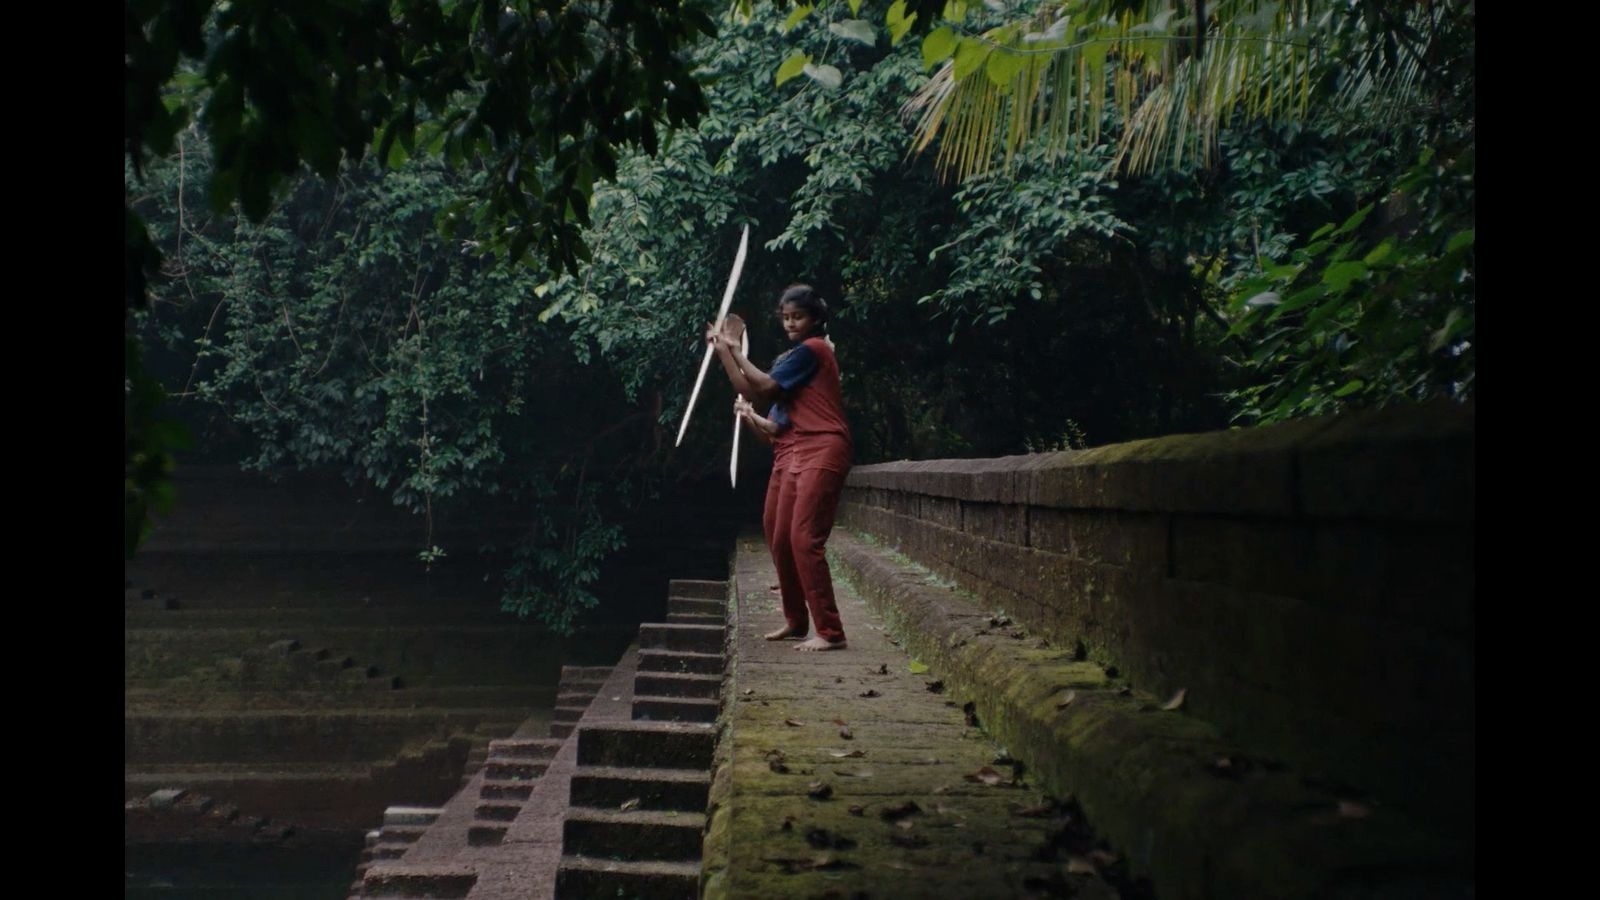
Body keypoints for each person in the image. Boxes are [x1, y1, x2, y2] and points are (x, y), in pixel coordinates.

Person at [706, 285, 852, 652]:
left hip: (821, 447)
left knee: (804, 538)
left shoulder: (813, 350)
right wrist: (725, 352)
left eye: (797, 317)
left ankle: (830, 632)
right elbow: (753, 391)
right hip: (795, 451)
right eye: (785, 318)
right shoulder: (793, 365)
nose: (790, 324)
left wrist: (736, 349)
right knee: (778, 535)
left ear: (816, 319)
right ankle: (796, 620)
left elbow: (765, 385)